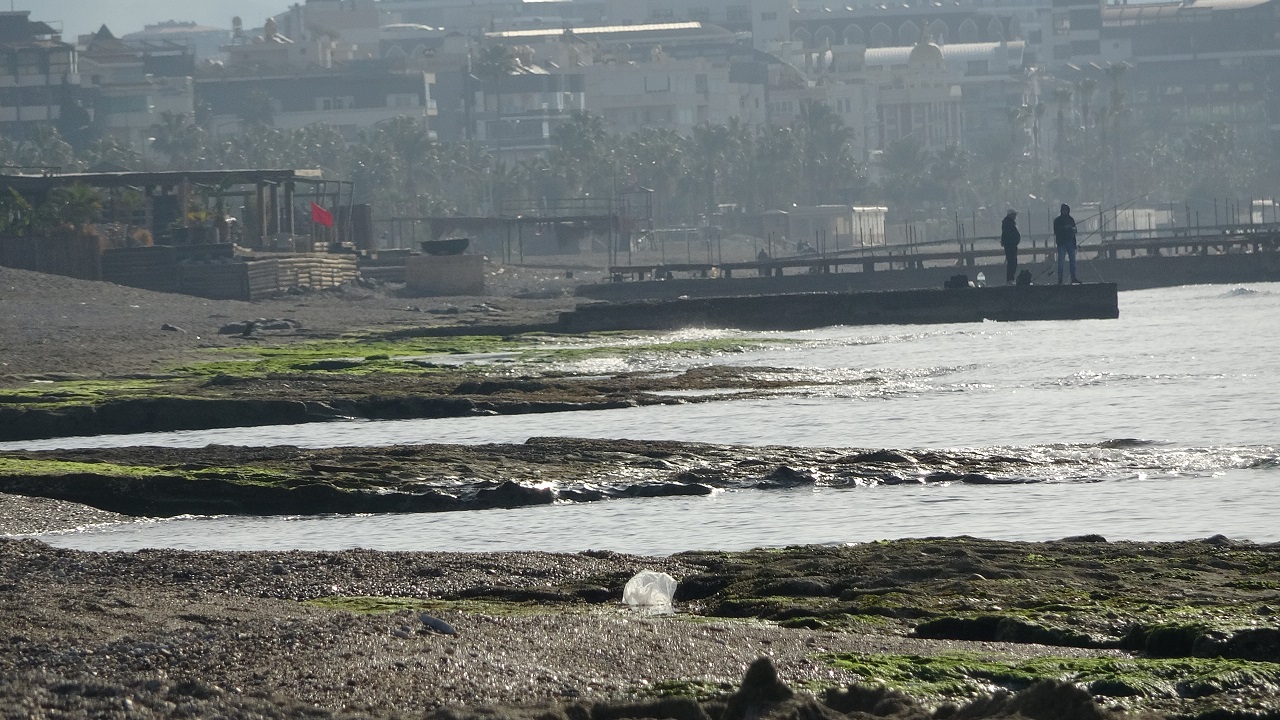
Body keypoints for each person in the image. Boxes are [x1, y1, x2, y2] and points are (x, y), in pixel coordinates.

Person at [1053, 203, 1080, 285]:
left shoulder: (1071, 219)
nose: (1065, 211)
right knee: (1061, 262)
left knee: (1073, 261)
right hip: (1062, 243)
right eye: (1064, 210)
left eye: (1066, 210)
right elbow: (1056, 231)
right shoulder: (1057, 220)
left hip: (1071, 242)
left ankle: (1073, 278)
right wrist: (1064, 228)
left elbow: (1075, 230)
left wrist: (1073, 229)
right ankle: (1060, 279)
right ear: (1061, 211)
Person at [1000, 209, 1020, 284]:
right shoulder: (1008, 223)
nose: (1015, 216)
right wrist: (1013, 242)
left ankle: (1011, 279)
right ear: (1010, 215)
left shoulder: (1008, 223)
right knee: (1012, 262)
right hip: (1010, 246)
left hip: (1012, 246)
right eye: (1014, 215)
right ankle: (1010, 279)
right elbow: (1009, 235)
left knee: (1012, 262)